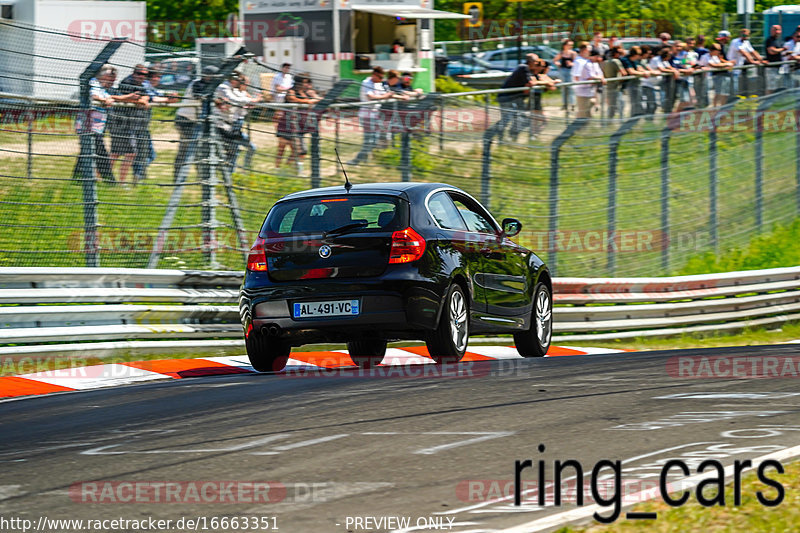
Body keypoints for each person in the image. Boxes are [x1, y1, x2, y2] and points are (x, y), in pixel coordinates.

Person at [74, 65, 138, 183]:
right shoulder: (93, 83)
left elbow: (112, 97)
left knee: (86, 152)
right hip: (88, 126)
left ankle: (77, 179)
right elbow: (92, 95)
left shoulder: (103, 88)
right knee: (101, 154)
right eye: (111, 79)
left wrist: (128, 98)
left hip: (95, 127)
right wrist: (104, 100)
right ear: (104, 76)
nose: (112, 82)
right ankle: (110, 181)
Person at [132, 69, 180, 184]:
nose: (157, 79)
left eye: (159, 77)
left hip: (143, 124)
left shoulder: (150, 87)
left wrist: (169, 97)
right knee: (147, 154)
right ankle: (138, 174)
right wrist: (168, 99)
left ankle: (139, 174)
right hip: (136, 124)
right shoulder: (145, 86)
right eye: (155, 76)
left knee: (147, 154)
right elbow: (153, 98)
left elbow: (159, 96)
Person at [173, 65, 218, 182]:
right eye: (211, 76)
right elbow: (199, 95)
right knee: (192, 149)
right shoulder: (197, 84)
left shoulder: (211, 86)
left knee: (189, 149)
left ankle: (197, 177)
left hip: (194, 122)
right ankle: (185, 177)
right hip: (185, 120)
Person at [108, 64, 150, 185]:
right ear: (134, 73)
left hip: (129, 124)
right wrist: (139, 100)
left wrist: (144, 99)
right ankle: (118, 181)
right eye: (140, 74)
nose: (142, 77)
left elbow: (145, 95)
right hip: (120, 123)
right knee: (128, 153)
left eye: (145, 75)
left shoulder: (140, 85)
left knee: (116, 153)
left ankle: (106, 178)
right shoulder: (126, 82)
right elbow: (122, 98)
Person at [215, 71, 262, 173]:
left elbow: (242, 103)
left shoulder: (236, 91)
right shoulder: (225, 88)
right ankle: (227, 173)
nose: (245, 85)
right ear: (235, 80)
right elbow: (235, 100)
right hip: (225, 125)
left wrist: (250, 101)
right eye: (243, 82)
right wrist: (252, 100)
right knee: (233, 150)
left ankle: (243, 170)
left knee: (246, 148)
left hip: (235, 125)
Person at [348, 66, 396, 165]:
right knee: (370, 141)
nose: (381, 80)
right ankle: (356, 161)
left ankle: (364, 161)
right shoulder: (366, 83)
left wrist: (403, 97)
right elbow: (371, 97)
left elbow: (388, 94)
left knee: (373, 140)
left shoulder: (378, 84)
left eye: (382, 78)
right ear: (374, 75)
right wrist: (386, 96)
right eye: (380, 77)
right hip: (367, 116)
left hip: (375, 115)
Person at [491, 53, 542, 140]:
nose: (538, 64)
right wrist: (545, 83)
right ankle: (495, 136)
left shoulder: (530, 70)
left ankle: (512, 137)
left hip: (516, 98)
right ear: (531, 62)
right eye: (536, 62)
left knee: (521, 117)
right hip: (506, 97)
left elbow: (538, 80)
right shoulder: (523, 68)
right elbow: (531, 83)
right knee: (507, 119)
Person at [276, 76, 321, 171]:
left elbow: (317, 99)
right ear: (299, 83)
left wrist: (315, 97)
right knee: (281, 149)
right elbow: (293, 99)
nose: (307, 85)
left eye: (308, 82)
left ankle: (291, 168)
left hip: (298, 126)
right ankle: (278, 169)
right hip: (286, 125)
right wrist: (308, 101)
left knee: (300, 151)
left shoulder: (306, 92)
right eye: (305, 82)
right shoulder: (291, 91)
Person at [572, 44, 605, 118]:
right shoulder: (579, 61)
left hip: (590, 90)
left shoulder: (589, 62)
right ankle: (577, 127)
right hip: (582, 90)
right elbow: (577, 77)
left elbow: (599, 73)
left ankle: (583, 127)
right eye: (588, 50)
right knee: (583, 113)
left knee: (588, 111)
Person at [601, 46, 627, 118]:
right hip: (616, 87)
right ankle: (621, 119)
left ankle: (609, 120)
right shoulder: (616, 61)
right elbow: (624, 73)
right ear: (616, 54)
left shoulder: (605, 62)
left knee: (611, 105)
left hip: (608, 86)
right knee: (621, 103)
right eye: (619, 53)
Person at [554, 39, 576, 110]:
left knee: (571, 88)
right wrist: (558, 63)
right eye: (569, 45)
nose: (570, 46)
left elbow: (577, 62)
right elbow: (555, 60)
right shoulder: (561, 53)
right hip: (562, 71)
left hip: (570, 71)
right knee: (564, 88)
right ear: (564, 45)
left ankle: (572, 104)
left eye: (571, 45)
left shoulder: (573, 53)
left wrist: (571, 64)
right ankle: (565, 104)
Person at [765, 25, 787, 92]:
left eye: (779, 30)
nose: (777, 32)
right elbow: (771, 51)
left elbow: (778, 52)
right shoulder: (770, 40)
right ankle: (768, 102)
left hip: (779, 67)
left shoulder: (779, 41)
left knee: (778, 87)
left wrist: (785, 53)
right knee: (771, 88)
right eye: (775, 30)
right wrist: (782, 49)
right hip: (771, 67)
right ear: (771, 31)